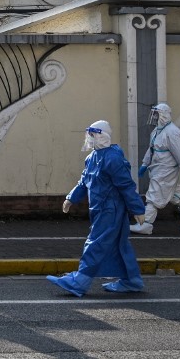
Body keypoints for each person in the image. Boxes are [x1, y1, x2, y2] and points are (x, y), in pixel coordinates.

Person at [47, 120, 146, 297]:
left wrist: (138, 209)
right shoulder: (92, 157)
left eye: (93, 135)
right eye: (89, 135)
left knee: (95, 243)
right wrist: (71, 198)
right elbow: (84, 181)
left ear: (102, 136)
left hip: (111, 210)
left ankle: (80, 281)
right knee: (120, 245)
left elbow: (126, 186)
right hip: (101, 208)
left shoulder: (113, 158)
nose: (90, 139)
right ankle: (132, 280)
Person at [131, 103, 180, 235]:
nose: (153, 117)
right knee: (177, 196)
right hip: (158, 170)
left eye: (156, 114)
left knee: (153, 197)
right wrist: (145, 163)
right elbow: (152, 149)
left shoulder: (172, 132)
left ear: (162, 115)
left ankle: (146, 224)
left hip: (165, 171)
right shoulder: (157, 131)